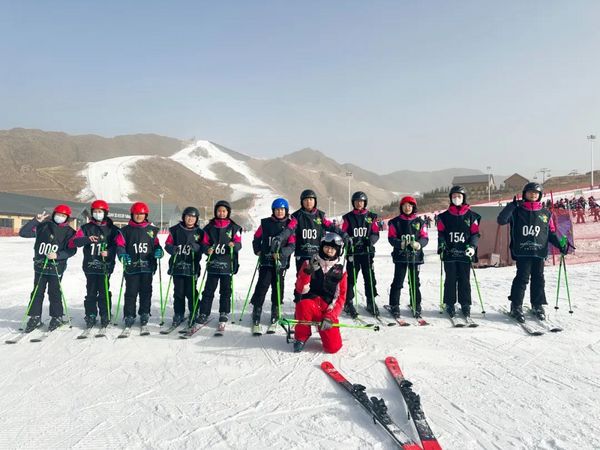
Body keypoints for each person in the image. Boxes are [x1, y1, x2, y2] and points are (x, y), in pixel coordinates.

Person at [497, 182, 567, 322]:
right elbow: (501, 220)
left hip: (539, 252)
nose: (533, 195)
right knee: (522, 278)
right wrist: (511, 206)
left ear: (540, 195)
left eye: (536, 193)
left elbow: (551, 233)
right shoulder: (517, 211)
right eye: (530, 193)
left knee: (538, 278)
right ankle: (516, 305)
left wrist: (560, 245)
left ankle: (537, 304)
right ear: (525, 194)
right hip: (523, 251)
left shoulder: (546, 213)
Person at [19, 204, 77, 332]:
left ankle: (56, 317)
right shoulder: (43, 226)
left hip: (56, 267)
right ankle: (35, 317)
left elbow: (72, 250)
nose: (60, 217)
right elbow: (23, 233)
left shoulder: (70, 232)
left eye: (63, 216)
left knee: (54, 292)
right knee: (37, 292)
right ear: (54, 215)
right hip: (40, 266)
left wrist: (57, 255)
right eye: (58, 215)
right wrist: (35, 221)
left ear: (67, 218)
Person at [292, 232, 347, 353]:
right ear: (321, 246)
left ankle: (323, 327)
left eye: (333, 248)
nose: (329, 250)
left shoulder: (340, 270)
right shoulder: (309, 263)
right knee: (303, 305)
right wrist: (306, 273)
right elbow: (301, 290)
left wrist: (331, 316)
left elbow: (341, 297)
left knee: (333, 348)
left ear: (338, 251)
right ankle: (301, 337)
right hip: (311, 306)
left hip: (328, 311)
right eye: (327, 246)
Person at [70, 200, 121, 328]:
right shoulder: (86, 228)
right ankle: (91, 314)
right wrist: (87, 239)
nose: (98, 214)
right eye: (95, 212)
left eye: (100, 211)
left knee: (104, 290)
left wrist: (109, 252)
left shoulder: (113, 229)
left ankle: (105, 314)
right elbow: (75, 242)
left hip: (106, 266)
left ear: (105, 213)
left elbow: (118, 245)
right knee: (91, 291)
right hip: (90, 265)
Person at [250, 198, 296, 331]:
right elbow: (257, 237)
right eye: (277, 210)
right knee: (262, 286)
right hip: (266, 261)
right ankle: (257, 311)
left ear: (286, 211)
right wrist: (257, 250)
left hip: (280, 263)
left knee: (278, 288)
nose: (280, 212)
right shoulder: (265, 223)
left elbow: (292, 245)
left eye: (282, 210)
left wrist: (281, 253)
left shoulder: (289, 226)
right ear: (273, 211)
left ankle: (275, 312)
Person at [116, 202, 163, 328]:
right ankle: (129, 315)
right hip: (132, 267)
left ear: (145, 215)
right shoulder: (124, 231)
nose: (139, 216)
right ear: (132, 214)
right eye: (136, 214)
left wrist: (159, 251)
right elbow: (120, 246)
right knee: (131, 292)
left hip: (147, 267)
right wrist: (122, 255)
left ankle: (144, 313)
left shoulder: (152, 230)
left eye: (141, 214)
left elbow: (157, 245)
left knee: (146, 291)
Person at [437, 186, 481, 318]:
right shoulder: (443, 217)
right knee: (450, 280)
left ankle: (465, 304)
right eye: (454, 196)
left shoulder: (472, 216)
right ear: (450, 198)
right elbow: (441, 233)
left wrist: (472, 247)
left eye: (459, 196)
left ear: (464, 198)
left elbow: (475, 234)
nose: (456, 199)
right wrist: (442, 245)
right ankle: (449, 304)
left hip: (464, 253)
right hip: (450, 253)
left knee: (464, 280)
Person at [197, 200, 242, 327]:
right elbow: (204, 244)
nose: (221, 213)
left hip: (227, 265)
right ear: (216, 212)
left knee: (226, 290)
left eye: (224, 211)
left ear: (228, 212)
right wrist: (207, 250)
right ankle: (204, 313)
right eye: (219, 211)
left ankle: (224, 312)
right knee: (208, 290)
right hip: (213, 265)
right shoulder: (209, 228)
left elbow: (239, 243)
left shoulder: (234, 227)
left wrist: (235, 245)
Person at [387, 196, 428, 318]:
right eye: (405, 205)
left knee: (415, 282)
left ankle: (416, 304)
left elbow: (425, 237)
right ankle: (394, 305)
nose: (407, 208)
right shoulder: (395, 222)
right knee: (398, 281)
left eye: (410, 205)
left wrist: (419, 244)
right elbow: (391, 237)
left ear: (413, 207)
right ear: (401, 207)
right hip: (401, 257)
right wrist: (400, 244)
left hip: (415, 257)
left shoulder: (420, 222)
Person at [341, 191, 380, 318]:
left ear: (365, 203)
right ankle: (348, 301)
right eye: (357, 201)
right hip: (353, 253)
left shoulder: (371, 216)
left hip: (367, 252)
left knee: (369, 277)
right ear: (353, 203)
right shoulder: (348, 217)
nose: (359, 203)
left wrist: (370, 241)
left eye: (361, 201)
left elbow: (375, 233)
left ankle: (370, 300)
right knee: (351, 279)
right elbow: (344, 233)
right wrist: (348, 240)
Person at [290, 189, 348, 274]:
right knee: (302, 281)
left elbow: (331, 226)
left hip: (318, 256)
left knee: (317, 280)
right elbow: (290, 231)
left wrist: (343, 234)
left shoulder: (320, 216)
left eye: (311, 199)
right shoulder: (296, 216)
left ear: (315, 201)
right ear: (302, 202)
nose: (308, 202)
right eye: (305, 200)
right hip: (302, 255)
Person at [164, 206, 204, 327]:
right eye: (188, 216)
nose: (190, 219)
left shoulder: (200, 232)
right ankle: (179, 313)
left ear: (196, 219)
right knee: (179, 292)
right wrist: (173, 249)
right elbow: (167, 244)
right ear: (183, 217)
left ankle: (194, 311)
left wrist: (196, 248)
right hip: (178, 266)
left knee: (191, 291)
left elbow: (204, 246)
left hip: (192, 266)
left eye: (193, 217)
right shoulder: (175, 230)